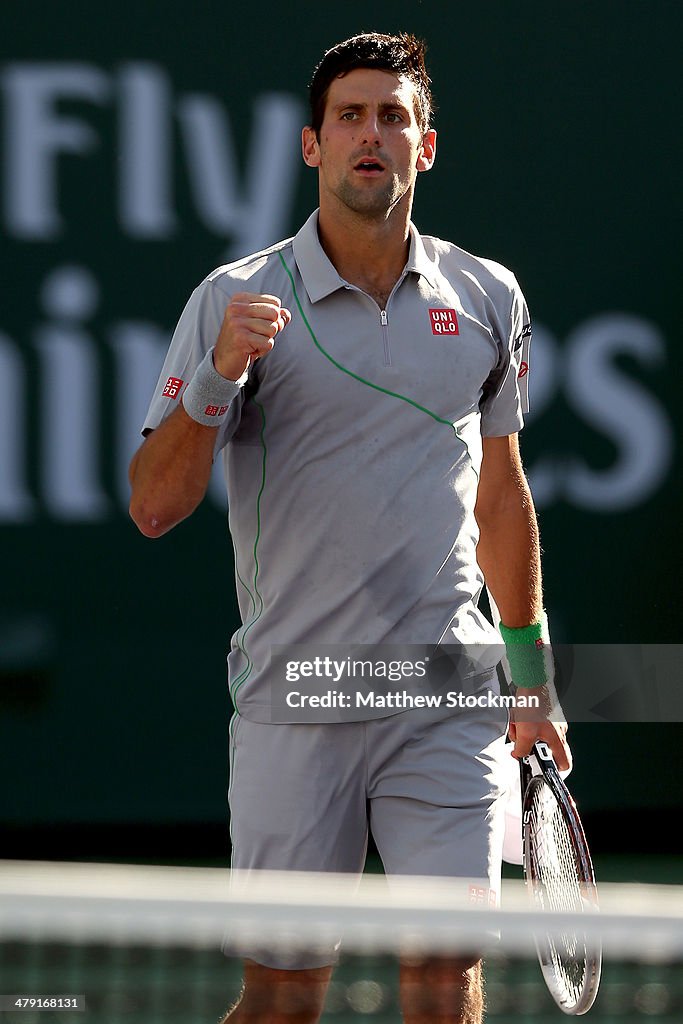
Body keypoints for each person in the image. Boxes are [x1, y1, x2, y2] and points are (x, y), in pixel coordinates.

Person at [129, 31, 570, 1024]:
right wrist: (214, 379)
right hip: (298, 692)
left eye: (393, 117)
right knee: (284, 998)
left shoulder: (489, 296)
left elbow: (499, 494)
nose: (371, 133)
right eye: (349, 116)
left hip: (444, 691)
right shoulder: (231, 299)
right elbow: (152, 504)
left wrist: (530, 674)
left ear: (425, 147)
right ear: (310, 146)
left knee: (440, 976)